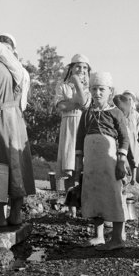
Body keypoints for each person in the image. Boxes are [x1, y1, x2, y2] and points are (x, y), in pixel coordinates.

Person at [0, 38, 36, 226]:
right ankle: (16, 214)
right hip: (17, 120)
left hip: (1, 119)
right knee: (17, 165)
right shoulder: (19, 70)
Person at [76, 72, 130, 251]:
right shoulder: (86, 115)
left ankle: (116, 239)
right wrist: (78, 163)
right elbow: (79, 138)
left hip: (110, 163)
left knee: (113, 197)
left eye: (101, 89)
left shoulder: (116, 113)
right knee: (94, 197)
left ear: (110, 91)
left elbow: (124, 138)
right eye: (94, 89)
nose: (97, 93)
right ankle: (99, 236)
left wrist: (121, 160)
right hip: (91, 164)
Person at [54, 54, 92, 208]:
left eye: (84, 67)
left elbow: (84, 104)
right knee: (69, 163)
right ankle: (71, 207)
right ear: (71, 68)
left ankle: (83, 203)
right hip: (68, 126)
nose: (81, 70)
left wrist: (77, 87)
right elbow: (60, 107)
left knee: (81, 165)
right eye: (78, 66)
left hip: (83, 125)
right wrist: (74, 102)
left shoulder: (90, 89)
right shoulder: (62, 86)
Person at [0, 33, 30, 112]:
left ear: (13, 50)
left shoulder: (23, 73)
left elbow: (22, 101)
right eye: (1, 48)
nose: (4, 52)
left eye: (7, 49)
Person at [113, 94, 139, 185]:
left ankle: (131, 179)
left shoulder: (131, 115)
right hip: (115, 151)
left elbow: (131, 156)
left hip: (125, 144)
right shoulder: (113, 116)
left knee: (130, 158)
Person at [122, 90, 139, 184]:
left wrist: (136, 135)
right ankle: (124, 175)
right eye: (126, 99)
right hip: (124, 136)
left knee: (134, 157)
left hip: (133, 137)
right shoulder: (122, 112)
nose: (128, 101)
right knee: (123, 155)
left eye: (130, 99)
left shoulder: (136, 114)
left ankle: (133, 178)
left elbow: (137, 125)